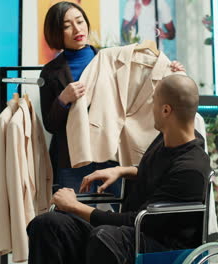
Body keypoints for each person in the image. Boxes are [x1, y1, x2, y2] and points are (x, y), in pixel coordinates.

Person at [27, 74, 211, 264]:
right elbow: (161, 173)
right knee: (47, 224)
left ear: (166, 110)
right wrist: (121, 170)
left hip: (160, 247)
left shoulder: (192, 169)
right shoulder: (168, 140)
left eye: (153, 101)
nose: (151, 107)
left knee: (104, 238)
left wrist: (74, 206)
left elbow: (140, 222)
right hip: (129, 236)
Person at [40, 1, 185, 195]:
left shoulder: (112, 59)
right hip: (72, 158)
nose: (77, 29)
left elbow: (141, 91)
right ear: (56, 32)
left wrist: (172, 73)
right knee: (72, 216)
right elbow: (50, 124)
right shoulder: (50, 72)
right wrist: (63, 100)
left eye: (80, 21)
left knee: (120, 214)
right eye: (67, 26)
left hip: (113, 154)